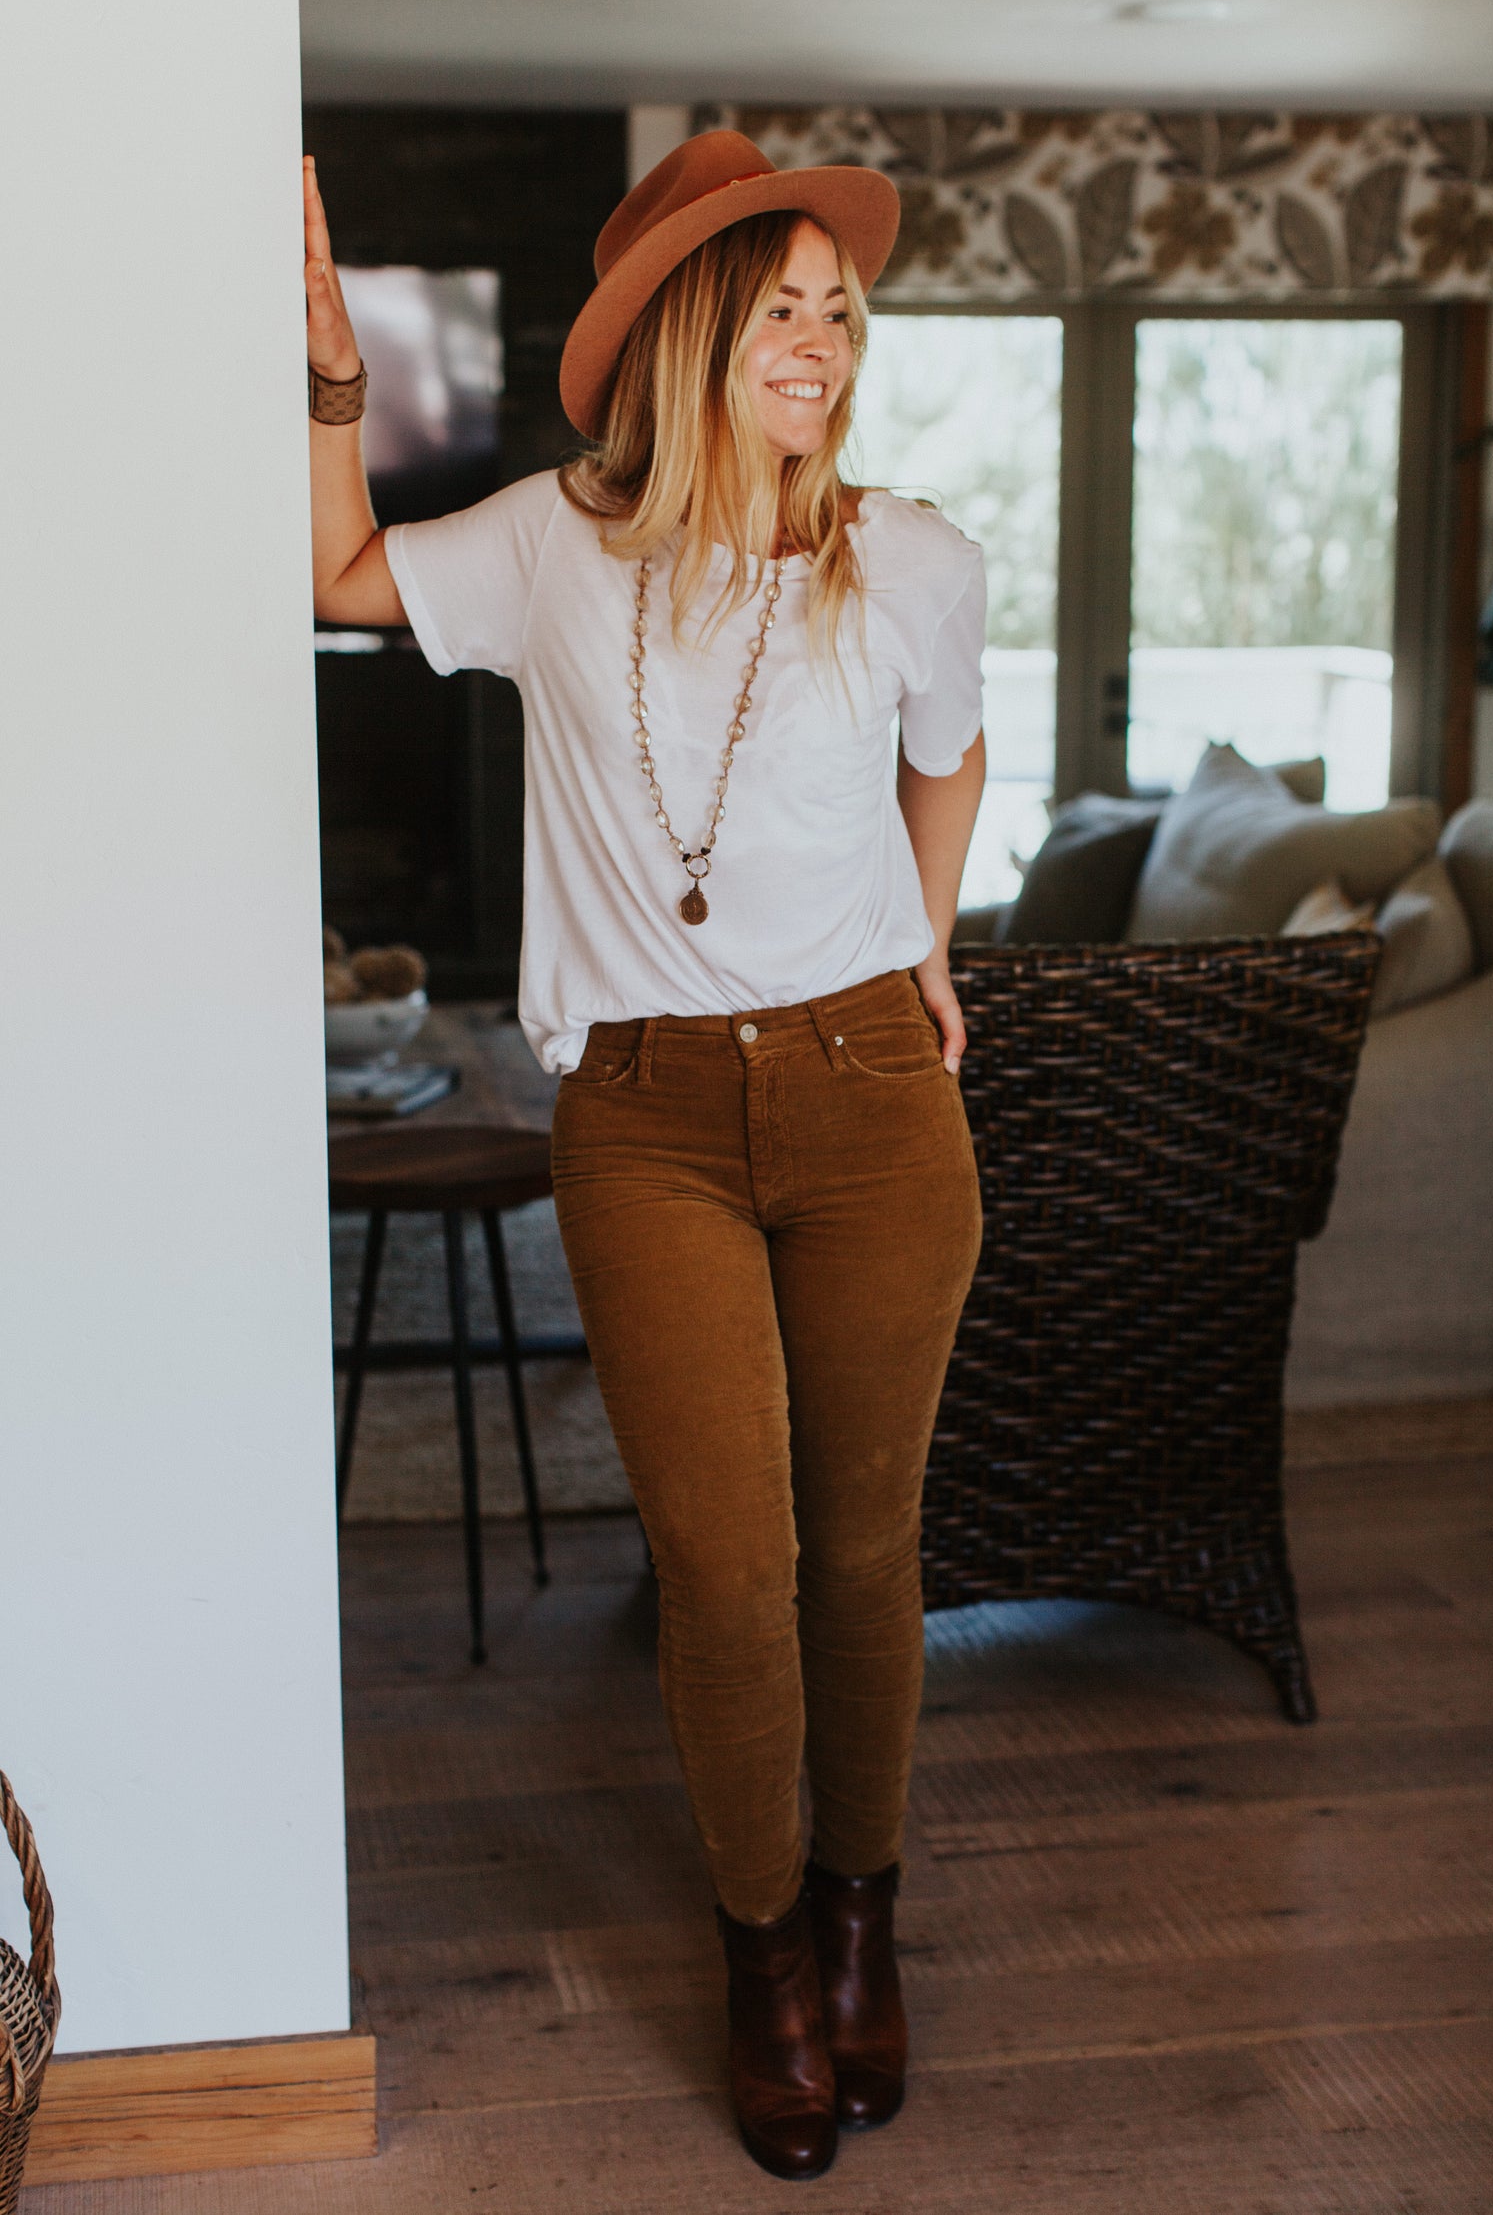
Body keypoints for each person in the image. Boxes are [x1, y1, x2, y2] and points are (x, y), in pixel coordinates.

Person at [305, 128, 986, 2183]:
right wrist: (334, 380)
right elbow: (340, 579)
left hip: (875, 1098)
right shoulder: (547, 543)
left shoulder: (915, 558)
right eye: (781, 307)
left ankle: (861, 1919)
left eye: (841, 309)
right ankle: (764, 1951)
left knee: (865, 1553)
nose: (823, 342)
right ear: (688, 332)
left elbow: (951, 751)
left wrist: (932, 945)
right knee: (726, 1564)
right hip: (648, 1119)